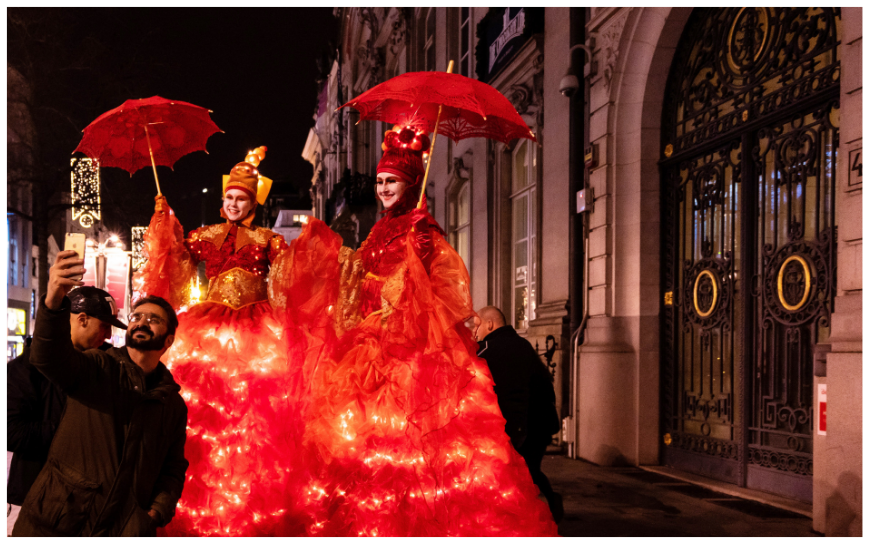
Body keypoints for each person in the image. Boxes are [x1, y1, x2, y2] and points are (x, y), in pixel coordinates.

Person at [291, 126, 559, 536]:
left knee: (413, 449)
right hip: (368, 346)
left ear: (410, 183)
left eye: (391, 181)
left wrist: (410, 277)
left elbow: (444, 290)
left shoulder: (424, 231)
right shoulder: (379, 231)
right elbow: (360, 281)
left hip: (409, 352)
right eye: (379, 181)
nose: (382, 188)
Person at [133, 147, 334, 536]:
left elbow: (294, 275)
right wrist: (164, 218)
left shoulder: (268, 240)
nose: (234, 204)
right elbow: (174, 257)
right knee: (201, 408)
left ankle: (252, 497)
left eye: (241, 198)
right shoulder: (204, 236)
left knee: (258, 412)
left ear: (253, 201)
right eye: (229, 198)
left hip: (257, 328)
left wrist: (313, 246)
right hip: (210, 324)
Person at [11, 251, 188, 537]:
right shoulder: (98, 366)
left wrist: (156, 512)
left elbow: (173, 466)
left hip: (125, 528)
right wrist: (53, 301)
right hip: (58, 523)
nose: (141, 322)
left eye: (153, 319)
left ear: (168, 340)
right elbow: (47, 357)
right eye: (137, 316)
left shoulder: (172, 403)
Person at [7, 286, 125, 535]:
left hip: (84, 498)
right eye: (104, 326)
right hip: (36, 495)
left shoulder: (102, 365)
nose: (107, 336)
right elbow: (10, 431)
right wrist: (73, 429)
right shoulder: (24, 369)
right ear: (82, 320)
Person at [474, 305, 564, 523]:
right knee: (530, 470)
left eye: (476, 327)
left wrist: (512, 431)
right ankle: (550, 505)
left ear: (490, 324)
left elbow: (506, 393)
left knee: (515, 474)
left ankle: (519, 517)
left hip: (517, 425)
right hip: (539, 423)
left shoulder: (487, 350)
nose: (474, 332)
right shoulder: (523, 345)